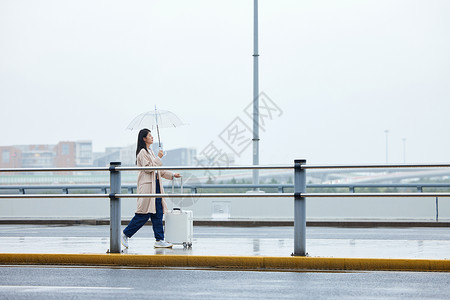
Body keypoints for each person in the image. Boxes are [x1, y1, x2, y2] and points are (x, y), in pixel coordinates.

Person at [121, 128, 181, 248]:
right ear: (144, 138)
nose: (152, 137)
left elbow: (159, 170)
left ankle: (159, 240)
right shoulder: (142, 152)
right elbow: (149, 168)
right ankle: (125, 234)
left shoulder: (151, 151)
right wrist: (159, 158)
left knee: (158, 213)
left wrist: (172, 175)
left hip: (156, 186)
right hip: (148, 187)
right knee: (144, 214)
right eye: (149, 136)